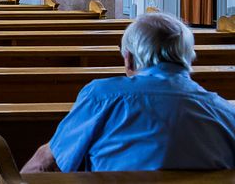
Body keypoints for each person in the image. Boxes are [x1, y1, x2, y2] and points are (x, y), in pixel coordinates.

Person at [22, 12, 235, 173]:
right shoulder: (225, 112)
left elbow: (47, 160)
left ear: (129, 58)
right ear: (188, 57)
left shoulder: (102, 97)